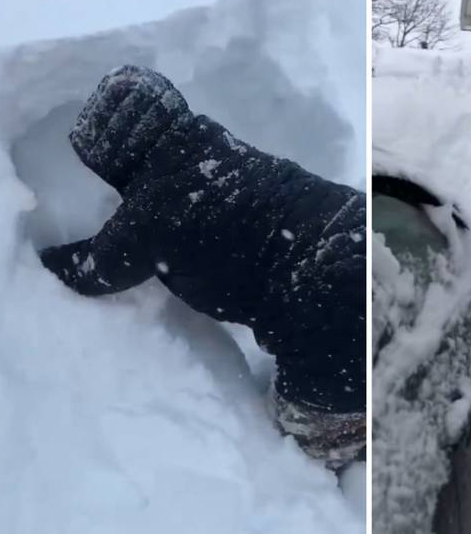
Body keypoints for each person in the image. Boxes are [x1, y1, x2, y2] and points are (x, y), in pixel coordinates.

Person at [39, 65, 365, 472]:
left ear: (113, 154)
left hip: (330, 317)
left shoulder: (153, 210)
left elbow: (92, 271)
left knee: (307, 450)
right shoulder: (216, 146)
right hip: (359, 232)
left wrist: (25, 259)